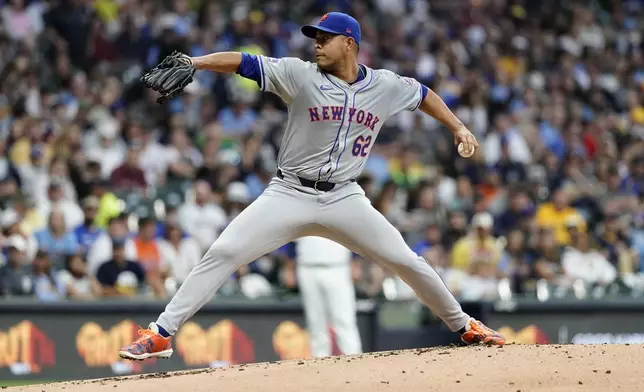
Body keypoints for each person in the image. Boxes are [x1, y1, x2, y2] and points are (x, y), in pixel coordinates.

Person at [119, 12, 504, 361]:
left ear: (349, 43)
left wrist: (458, 126)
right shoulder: (299, 75)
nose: (316, 44)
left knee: (406, 261)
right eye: (315, 38)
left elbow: (423, 95)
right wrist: (196, 62)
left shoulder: (384, 86)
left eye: (325, 37)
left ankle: (465, 326)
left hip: (344, 196)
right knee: (224, 251)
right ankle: (161, 333)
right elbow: (244, 61)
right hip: (289, 192)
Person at [282, 236, 362, 358]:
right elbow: (293, 238)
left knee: (344, 318)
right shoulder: (302, 216)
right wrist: (289, 268)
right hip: (307, 267)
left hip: (338, 266)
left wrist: (356, 262)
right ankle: (319, 362)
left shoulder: (341, 216)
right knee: (315, 320)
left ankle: (354, 358)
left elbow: (351, 232)